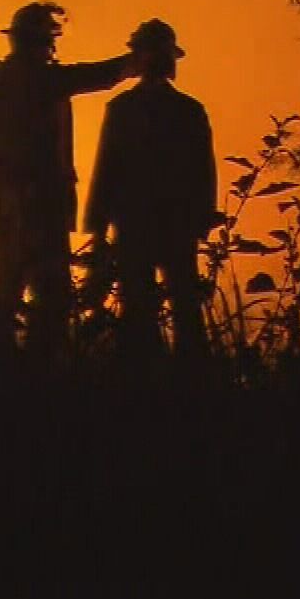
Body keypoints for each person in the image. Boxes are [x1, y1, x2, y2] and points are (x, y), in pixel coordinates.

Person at [0, 2, 131, 357]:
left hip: (5, 206)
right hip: (40, 208)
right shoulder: (43, 80)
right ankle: (42, 377)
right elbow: (91, 76)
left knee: (4, 293)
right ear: (42, 42)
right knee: (51, 295)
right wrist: (134, 62)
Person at [83, 19, 218, 359]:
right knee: (176, 308)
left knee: (150, 308)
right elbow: (108, 169)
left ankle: (151, 377)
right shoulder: (185, 110)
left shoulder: (126, 109)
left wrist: (98, 229)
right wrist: (202, 219)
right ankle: (179, 378)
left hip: (146, 223)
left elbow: (106, 171)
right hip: (161, 223)